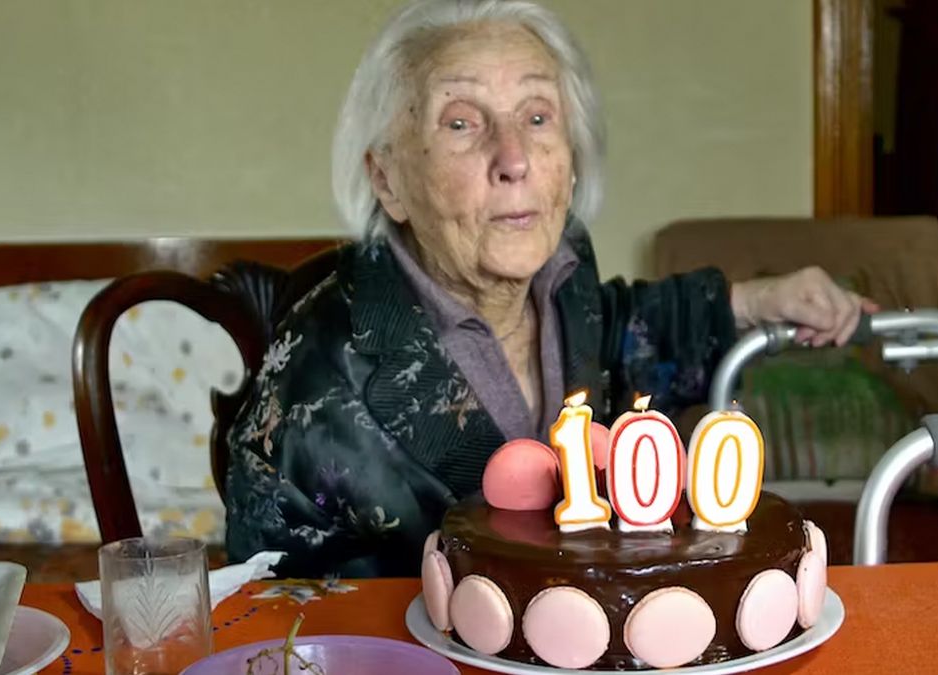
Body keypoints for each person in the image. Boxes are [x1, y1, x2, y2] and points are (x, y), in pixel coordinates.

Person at [225, 0, 873, 578]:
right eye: (461, 123)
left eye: (537, 115)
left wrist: (760, 299)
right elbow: (279, 622)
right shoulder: (313, 388)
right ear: (388, 179)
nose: (515, 158)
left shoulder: (564, 269)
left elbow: (619, 329)